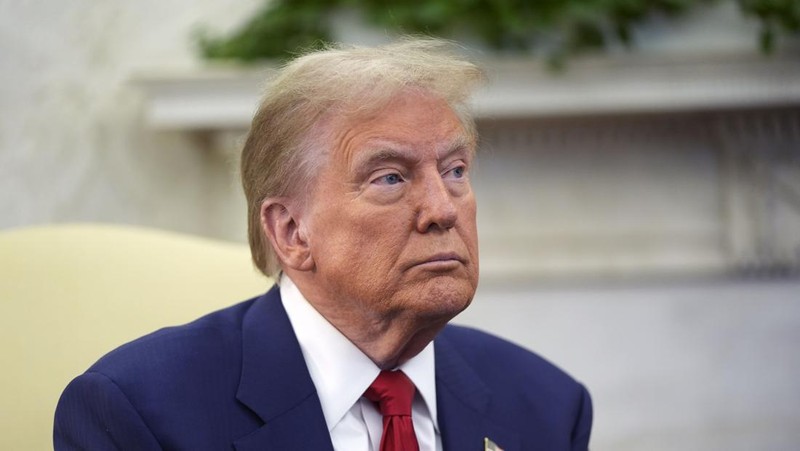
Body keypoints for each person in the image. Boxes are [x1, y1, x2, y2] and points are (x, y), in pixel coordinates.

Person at [54, 38, 592, 451]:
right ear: (291, 232)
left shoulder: (545, 405)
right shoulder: (139, 412)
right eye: (390, 178)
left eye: (454, 170)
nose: (443, 209)